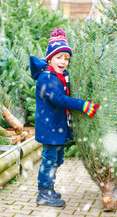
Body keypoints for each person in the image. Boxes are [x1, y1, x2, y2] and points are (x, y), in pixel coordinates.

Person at [29, 28, 99, 207]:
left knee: (57, 159)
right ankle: (43, 193)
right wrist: (82, 105)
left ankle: (49, 187)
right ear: (49, 58)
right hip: (49, 128)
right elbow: (58, 99)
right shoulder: (46, 78)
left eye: (66, 58)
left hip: (57, 127)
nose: (63, 61)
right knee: (49, 159)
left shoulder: (60, 76)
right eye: (59, 57)